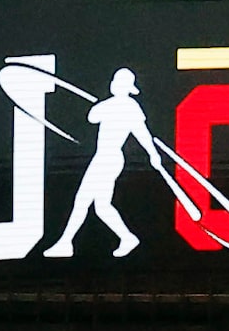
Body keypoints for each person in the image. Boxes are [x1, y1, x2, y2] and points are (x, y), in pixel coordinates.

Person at [44, 69, 182, 259]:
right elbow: (91, 117)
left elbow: (142, 134)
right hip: (104, 157)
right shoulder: (109, 105)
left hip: (108, 158)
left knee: (82, 200)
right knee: (101, 206)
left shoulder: (129, 107)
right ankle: (126, 237)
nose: (115, 84)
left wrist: (153, 154)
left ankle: (66, 243)